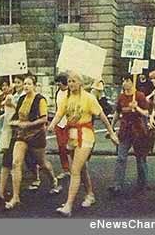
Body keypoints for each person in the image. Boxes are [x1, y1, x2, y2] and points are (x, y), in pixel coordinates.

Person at [47, 71, 119, 217]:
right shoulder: (66, 98)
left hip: (85, 135)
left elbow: (102, 116)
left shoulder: (88, 98)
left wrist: (111, 132)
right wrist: (51, 125)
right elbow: (59, 114)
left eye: (74, 81)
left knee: (74, 170)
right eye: (69, 81)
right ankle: (90, 194)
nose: (71, 84)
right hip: (72, 136)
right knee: (81, 168)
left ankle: (68, 205)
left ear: (80, 83)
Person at [4, 76, 62, 210]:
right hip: (22, 135)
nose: (26, 86)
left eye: (29, 84)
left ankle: (53, 180)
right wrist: (14, 123)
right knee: (16, 162)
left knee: (42, 163)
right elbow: (16, 117)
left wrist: (28, 124)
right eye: (25, 84)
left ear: (35, 86)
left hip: (36, 135)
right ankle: (15, 197)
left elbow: (44, 119)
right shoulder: (22, 99)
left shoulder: (40, 99)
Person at [109, 75, 150, 195]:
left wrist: (136, 107)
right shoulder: (121, 97)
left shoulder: (139, 96)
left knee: (141, 158)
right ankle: (117, 184)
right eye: (123, 81)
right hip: (125, 130)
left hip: (138, 130)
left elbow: (146, 113)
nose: (124, 83)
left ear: (133, 82)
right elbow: (117, 112)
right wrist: (111, 127)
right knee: (121, 157)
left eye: (127, 81)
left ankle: (143, 183)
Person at [53, 73, 71, 180]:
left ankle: (76, 169)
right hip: (59, 123)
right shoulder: (58, 93)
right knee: (61, 147)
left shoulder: (70, 93)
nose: (58, 84)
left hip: (69, 123)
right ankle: (65, 169)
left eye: (59, 82)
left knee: (70, 147)